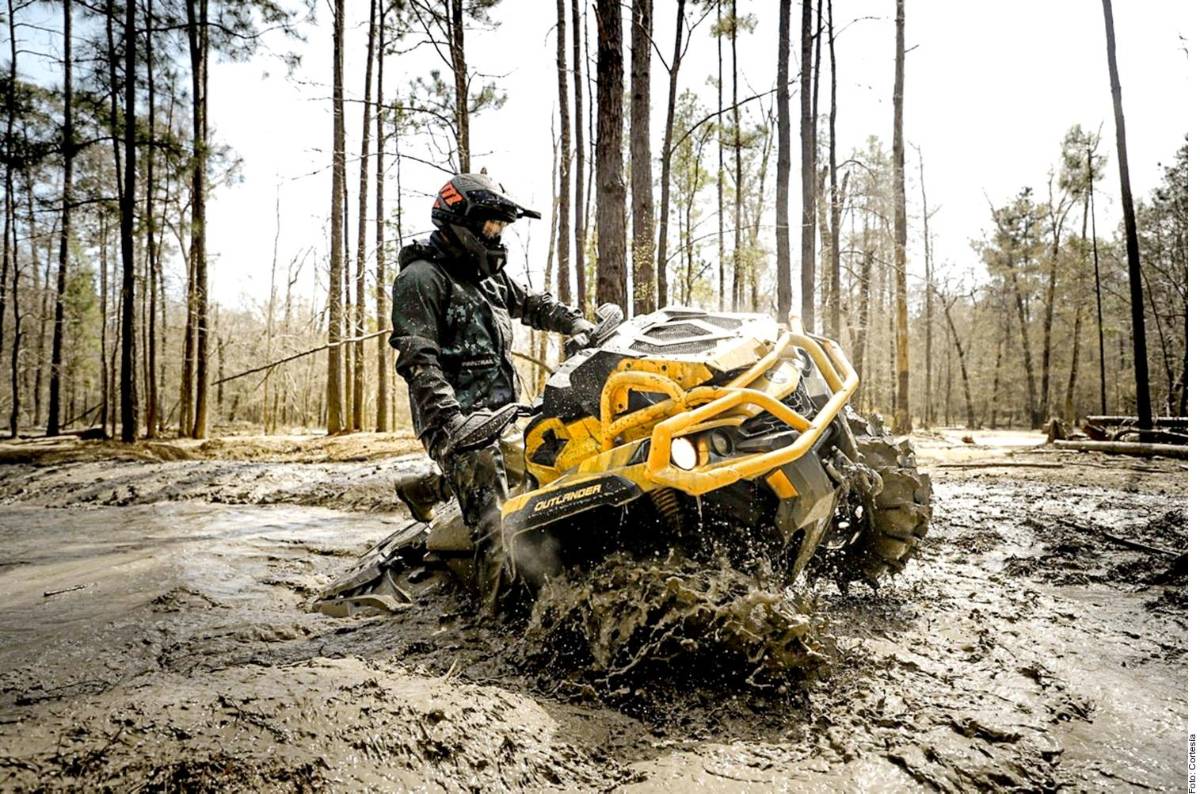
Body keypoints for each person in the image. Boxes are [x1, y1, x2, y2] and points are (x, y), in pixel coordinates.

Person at [388, 172, 593, 609]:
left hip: (503, 411)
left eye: (501, 227)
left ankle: (428, 489)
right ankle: (489, 621)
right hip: (456, 419)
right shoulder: (421, 278)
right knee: (496, 522)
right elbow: (417, 359)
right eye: (490, 226)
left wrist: (575, 323)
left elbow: (533, 304)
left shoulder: (489, 277)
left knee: (540, 482)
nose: (497, 235)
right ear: (462, 220)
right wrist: (452, 424)